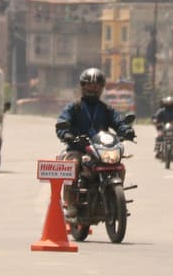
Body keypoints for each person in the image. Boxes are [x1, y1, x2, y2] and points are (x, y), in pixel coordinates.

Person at [54, 67, 135, 215]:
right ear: (82, 86)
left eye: (96, 85)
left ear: (101, 88)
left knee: (120, 167)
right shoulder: (74, 107)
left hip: (101, 150)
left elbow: (118, 122)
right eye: (89, 85)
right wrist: (66, 134)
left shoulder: (106, 109)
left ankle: (115, 201)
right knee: (73, 164)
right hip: (78, 149)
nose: (93, 88)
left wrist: (127, 130)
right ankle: (71, 203)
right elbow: (62, 121)